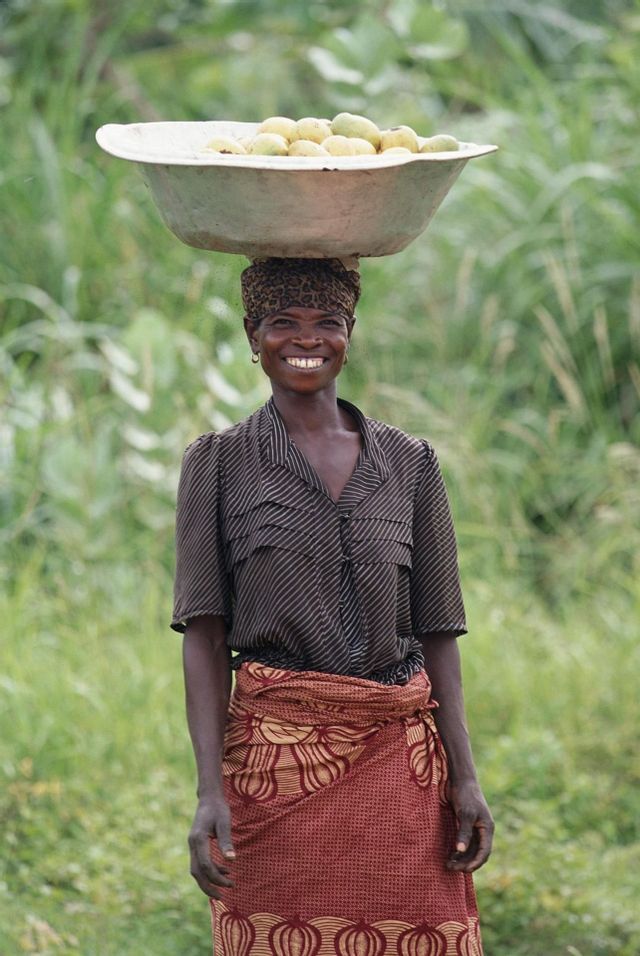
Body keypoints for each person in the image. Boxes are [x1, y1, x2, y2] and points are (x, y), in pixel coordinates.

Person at [170, 257, 493, 956]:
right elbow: (204, 634)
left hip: (399, 772)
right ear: (253, 334)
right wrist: (208, 792)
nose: (305, 339)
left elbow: (439, 632)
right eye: (283, 323)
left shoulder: (410, 463)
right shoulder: (218, 463)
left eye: (328, 323)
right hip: (273, 771)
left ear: (352, 332)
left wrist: (466, 778)